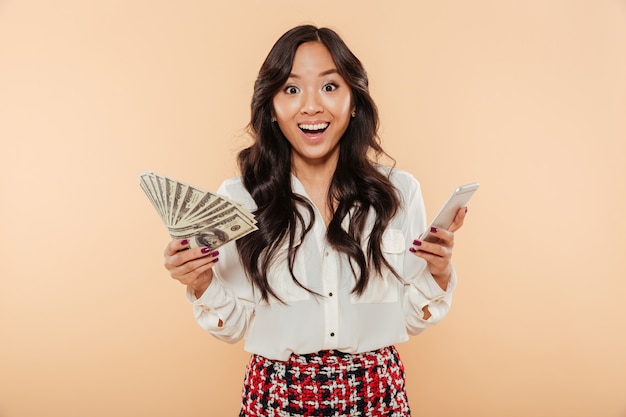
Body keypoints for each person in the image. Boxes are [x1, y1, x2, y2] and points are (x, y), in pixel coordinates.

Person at [163, 24, 468, 417]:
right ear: (271, 106)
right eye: (291, 89)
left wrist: (439, 273)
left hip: (376, 394)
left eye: (329, 86)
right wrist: (202, 282)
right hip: (275, 397)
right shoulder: (239, 199)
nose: (311, 106)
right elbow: (236, 326)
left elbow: (407, 318)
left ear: (354, 100)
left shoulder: (399, 192)